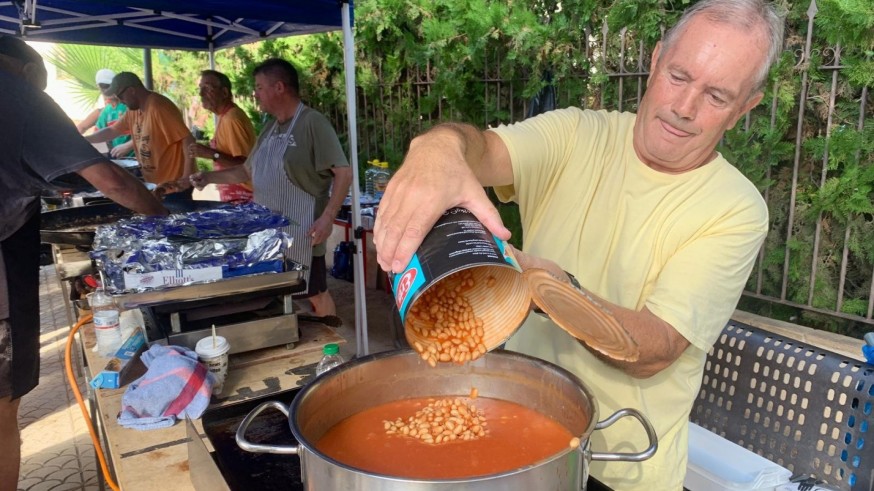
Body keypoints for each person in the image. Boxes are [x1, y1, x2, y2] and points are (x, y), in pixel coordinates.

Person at [372, 0, 784, 488]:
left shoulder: (735, 208)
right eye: (678, 76)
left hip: (624, 466)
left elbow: (655, 348)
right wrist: (439, 147)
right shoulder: (573, 134)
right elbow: (480, 150)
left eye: (716, 95)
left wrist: (548, 287)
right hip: (514, 433)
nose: (684, 108)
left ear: (744, 109)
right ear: (654, 62)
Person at [0, 35, 167, 490]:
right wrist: (164, 223)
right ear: (28, 71)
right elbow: (110, 179)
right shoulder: (16, 91)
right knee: (2, 404)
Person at [190, 58, 352, 320]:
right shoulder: (269, 127)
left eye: (259, 87)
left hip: (303, 231)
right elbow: (246, 171)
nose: (255, 94)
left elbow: (343, 172)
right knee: (283, 294)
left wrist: (327, 218)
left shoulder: (312, 123)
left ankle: (331, 353)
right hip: (270, 233)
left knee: (315, 294)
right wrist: (208, 177)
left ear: (279, 87)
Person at [85, 71, 196, 197]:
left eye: (120, 96)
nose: (120, 101)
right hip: (156, 185)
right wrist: (86, 139)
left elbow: (188, 140)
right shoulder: (134, 110)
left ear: (132, 90)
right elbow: (113, 130)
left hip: (175, 185)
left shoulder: (158, 107)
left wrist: (187, 177)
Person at [187, 69, 256, 203]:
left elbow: (245, 165)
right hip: (236, 196)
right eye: (200, 89)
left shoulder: (232, 118)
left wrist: (211, 154)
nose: (201, 94)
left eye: (207, 88)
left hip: (244, 196)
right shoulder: (224, 117)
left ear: (224, 92)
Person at [76, 68, 135, 158]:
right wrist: (84, 140)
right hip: (121, 158)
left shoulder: (129, 105)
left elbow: (148, 133)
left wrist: (128, 146)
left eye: (108, 86)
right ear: (98, 87)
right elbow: (109, 132)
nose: (106, 90)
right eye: (103, 86)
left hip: (137, 157)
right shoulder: (105, 112)